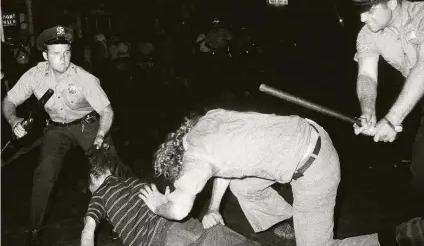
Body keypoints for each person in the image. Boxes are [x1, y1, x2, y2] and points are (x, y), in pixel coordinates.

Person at [138, 109, 380, 246]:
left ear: (181, 163)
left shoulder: (195, 156)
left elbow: (179, 210)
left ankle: (390, 239)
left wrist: (160, 205)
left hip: (315, 167)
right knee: (243, 187)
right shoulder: (208, 121)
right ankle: (295, 220)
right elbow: (223, 168)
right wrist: (213, 208)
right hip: (309, 135)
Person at [1, 25, 131, 246]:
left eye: (67, 52)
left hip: (88, 126)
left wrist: (100, 136)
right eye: (56, 53)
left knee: (110, 172)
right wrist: (14, 121)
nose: (64, 58)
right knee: (44, 172)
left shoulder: (84, 78)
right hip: (56, 129)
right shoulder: (35, 75)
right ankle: (34, 231)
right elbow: (8, 101)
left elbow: (106, 111)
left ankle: (121, 222)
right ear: (45, 55)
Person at [81, 145, 260, 246]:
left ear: (93, 180)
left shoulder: (99, 195)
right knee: (221, 239)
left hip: (154, 242)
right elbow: (164, 203)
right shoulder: (133, 182)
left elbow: (88, 229)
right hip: (179, 224)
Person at [344, 0, 424, 194]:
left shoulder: (421, 16)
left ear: (391, 3)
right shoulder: (368, 34)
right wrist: (368, 112)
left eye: (369, 10)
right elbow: (367, 75)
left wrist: (392, 119)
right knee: (420, 178)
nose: (362, 18)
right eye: (360, 10)